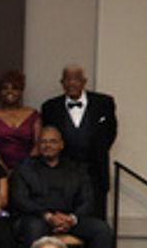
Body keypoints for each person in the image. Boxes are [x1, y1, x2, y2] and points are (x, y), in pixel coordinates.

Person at [11, 126, 114, 248]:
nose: (48, 145)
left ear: (61, 145)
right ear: (38, 145)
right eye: (43, 142)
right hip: (37, 217)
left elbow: (88, 200)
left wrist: (71, 219)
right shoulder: (25, 167)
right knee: (34, 228)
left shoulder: (77, 168)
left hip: (70, 218)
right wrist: (47, 216)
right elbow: (20, 199)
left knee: (101, 229)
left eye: (52, 141)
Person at [40, 64, 119, 221]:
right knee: (63, 220)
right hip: (62, 173)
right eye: (67, 79)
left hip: (95, 172)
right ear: (62, 83)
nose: (72, 83)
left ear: (84, 82)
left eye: (76, 79)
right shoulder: (50, 107)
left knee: (97, 224)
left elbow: (110, 134)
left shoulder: (104, 103)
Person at [0, 70, 39, 171]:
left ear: (21, 91)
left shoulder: (33, 114)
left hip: (28, 170)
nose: (10, 92)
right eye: (5, 88)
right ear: (0, 91)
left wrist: (21, 170)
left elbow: (38, 145)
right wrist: (3, 170)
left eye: (15, 88)